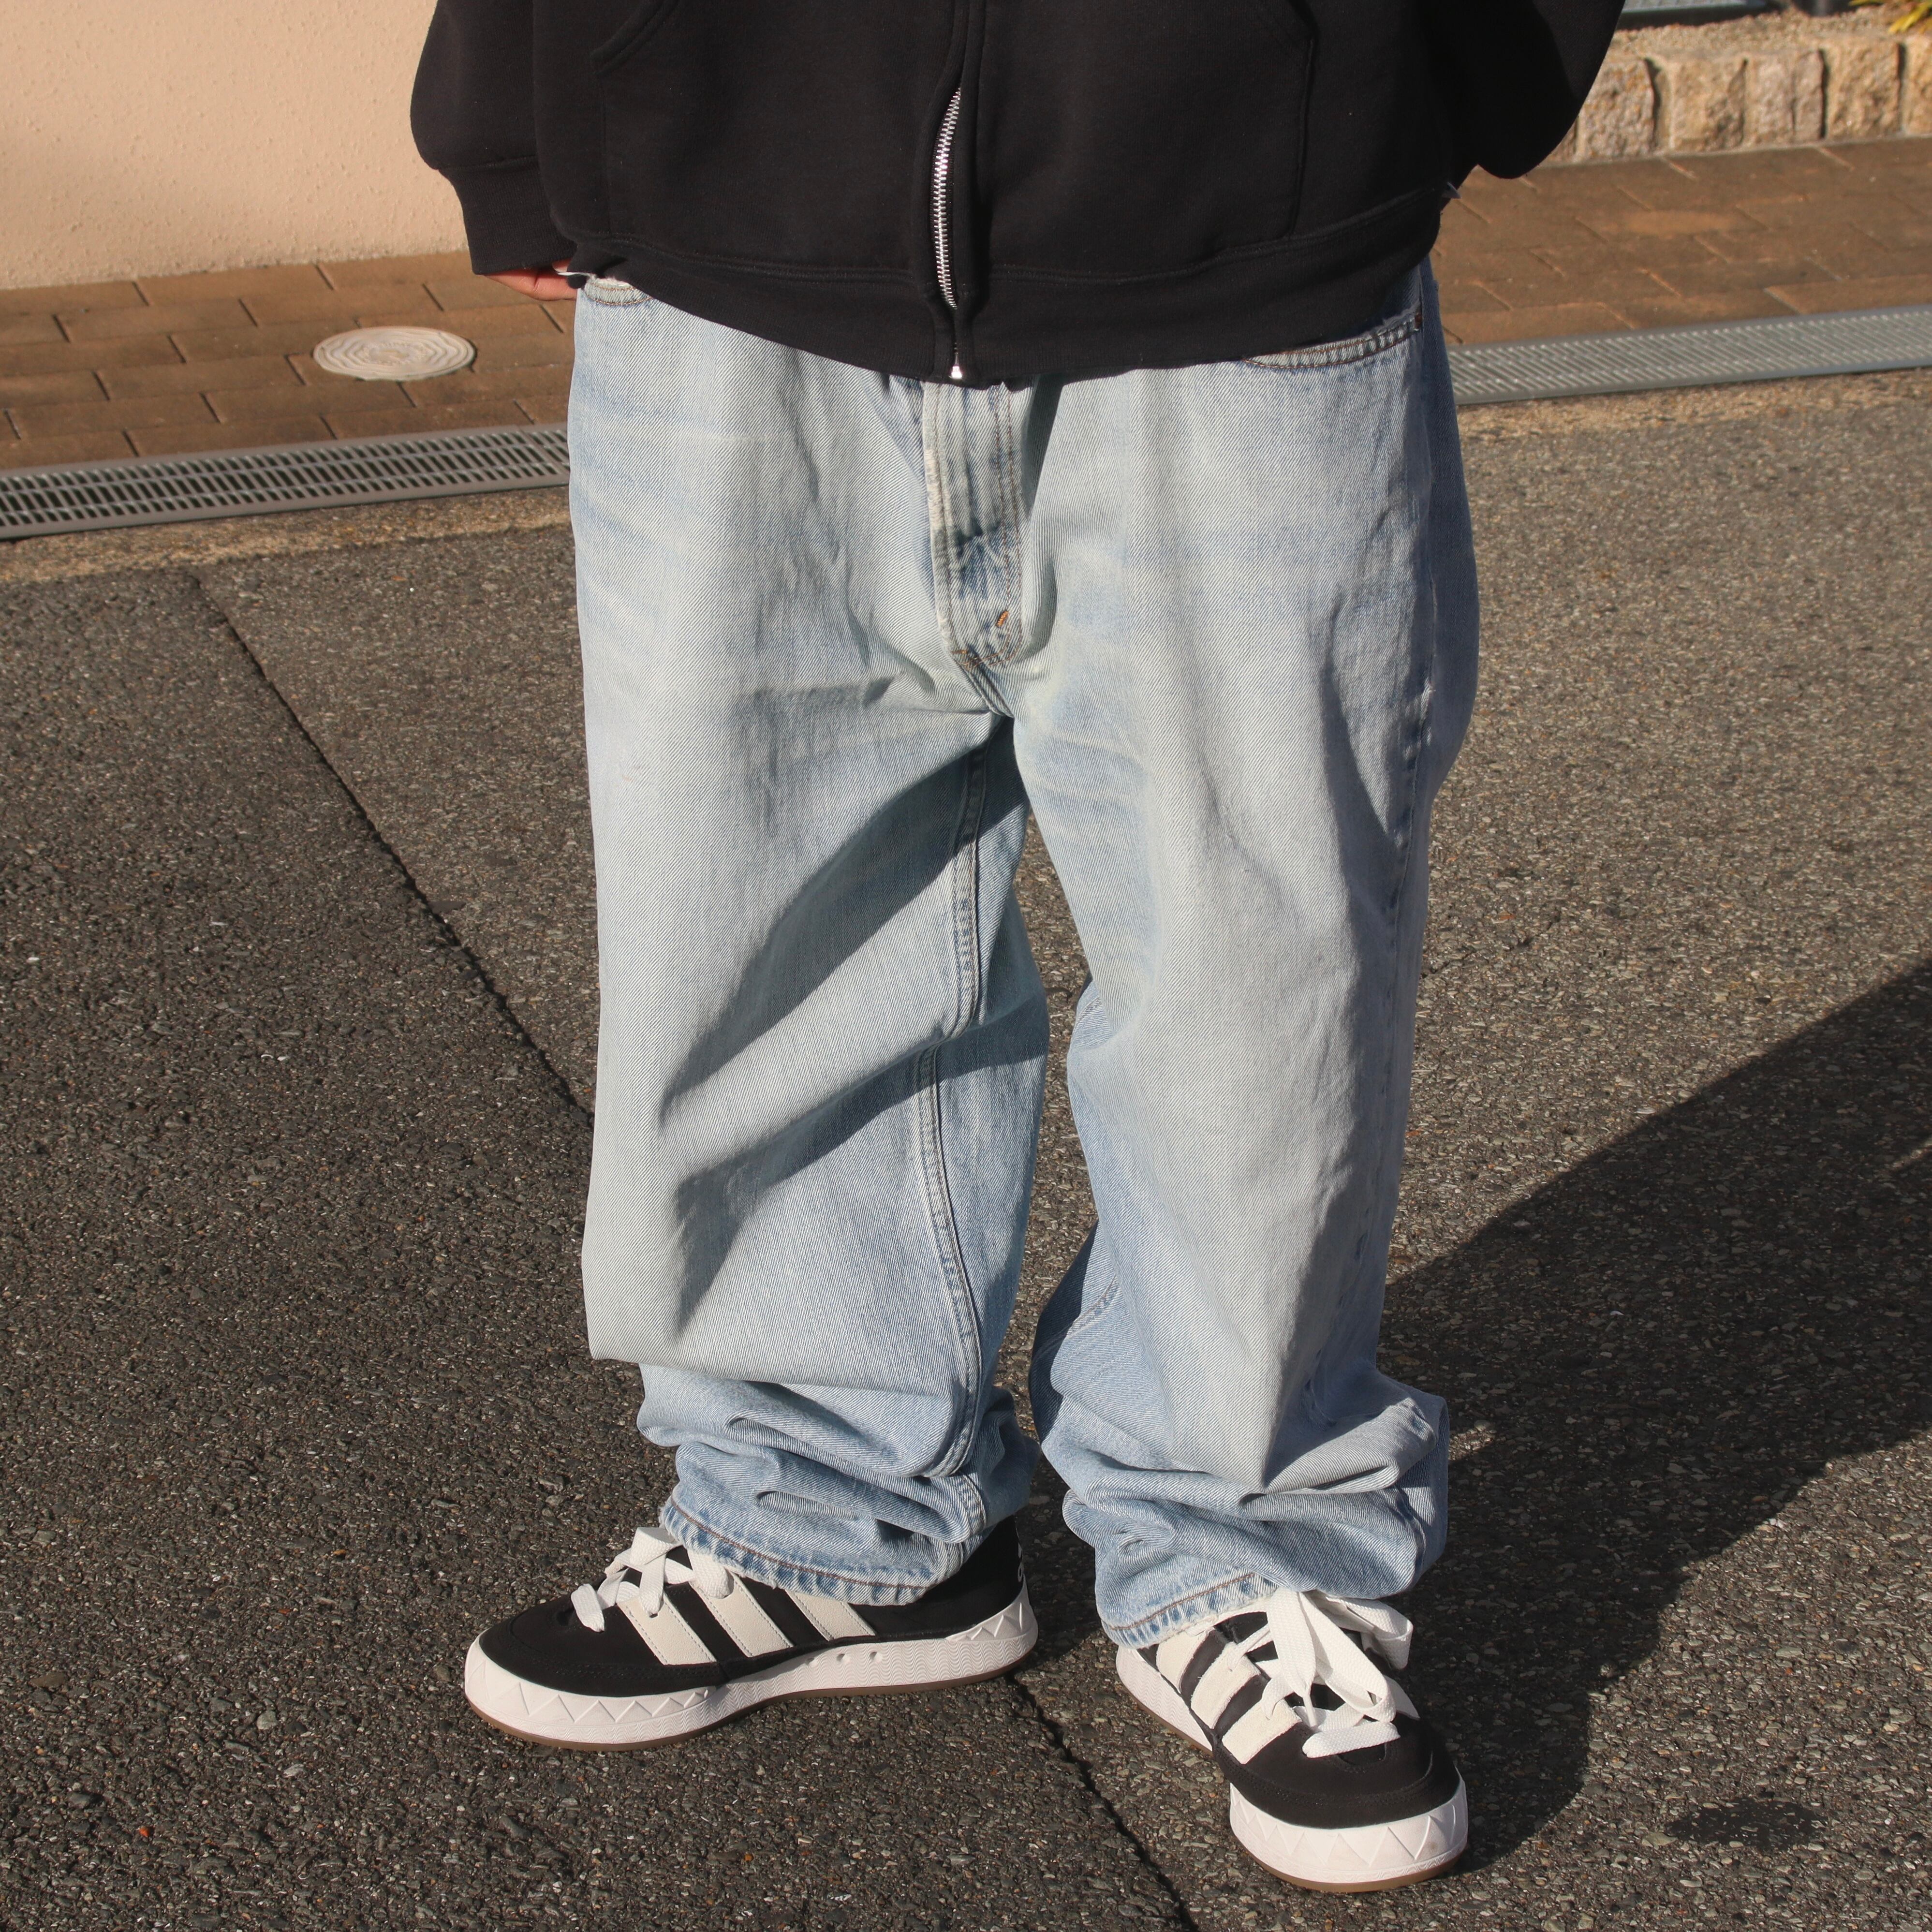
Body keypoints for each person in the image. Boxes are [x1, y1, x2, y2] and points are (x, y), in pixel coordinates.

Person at [412, 0, 1619, 1892]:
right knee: (757, 927)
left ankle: (1244, 1536)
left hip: (1246, 231)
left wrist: (1412, 69)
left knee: (1258, 966)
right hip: (729, 194)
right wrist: (519, 102)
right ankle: (820, 1500)